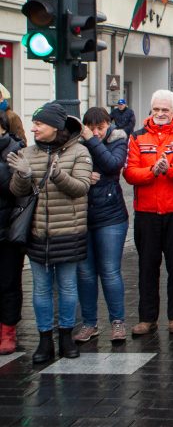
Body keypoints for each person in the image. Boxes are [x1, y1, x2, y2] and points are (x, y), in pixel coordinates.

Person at [7, 101, 92, 363]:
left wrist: (56, 174)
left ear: (55, 127)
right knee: (41, 289)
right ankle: (45, 340)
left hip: (68, 231)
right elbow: (17, 192)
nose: (33, 128)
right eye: (33, 124)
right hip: (37, 233)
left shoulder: (79, 152)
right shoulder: (29, 153)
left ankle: (66, 336)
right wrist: (21, 176)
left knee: (67, 287)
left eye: (39, 124)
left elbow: (81, 188)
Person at [123, 90, 173, 336]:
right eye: (156, 109)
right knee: (147, 266)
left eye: (165, 110)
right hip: (146, 211)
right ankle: (147, 318)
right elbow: (130, 173)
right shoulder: (136, 137)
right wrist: (153, 172)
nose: (160, 114)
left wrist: (169, 170)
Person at [73, 107, 129, 344]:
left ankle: (117, 322)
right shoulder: (77, 142)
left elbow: (112, 165)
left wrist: (89, 141)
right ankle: (89, 323)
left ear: (109, 125)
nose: (96, 133)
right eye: (91, 128)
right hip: (82, 215)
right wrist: (85, 176)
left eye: (101, 128)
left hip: (111, 216)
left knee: (110, 271)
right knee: (85, 273)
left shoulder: (118, 139)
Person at [0, 110, 26, 354]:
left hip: (8, 228)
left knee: (8, 282)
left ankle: (8, 330)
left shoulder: (14, 150)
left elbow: (13, 188)